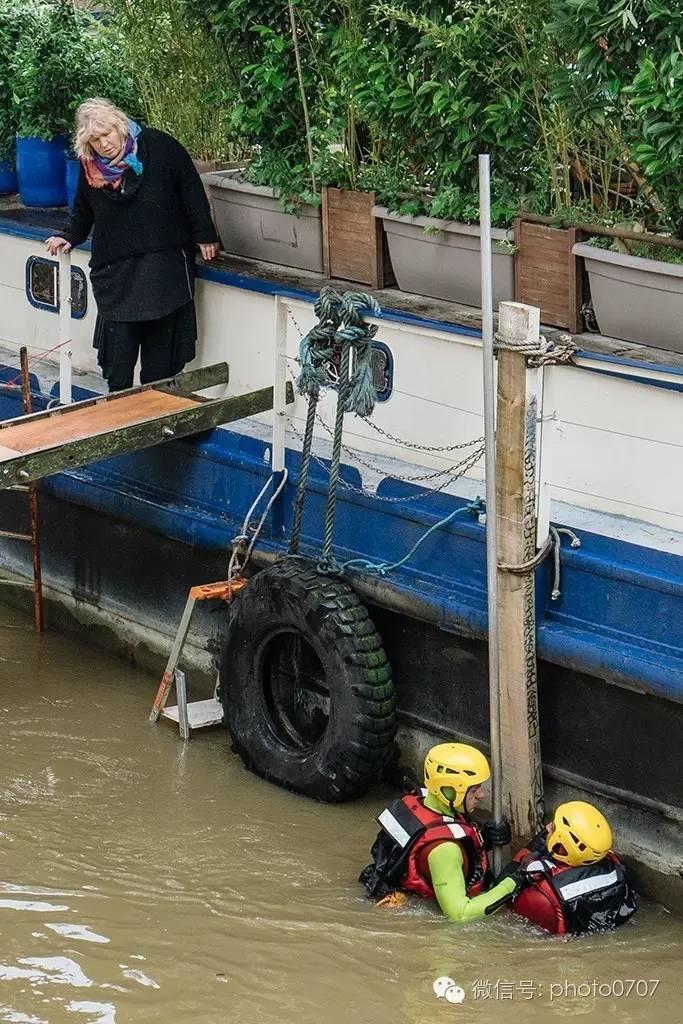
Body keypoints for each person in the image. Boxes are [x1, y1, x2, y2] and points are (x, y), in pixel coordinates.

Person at [45, 97, 220, 392]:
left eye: (107, 133)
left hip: (163, 264)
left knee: (160, 363)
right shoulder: (91, 168)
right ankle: (119, 421)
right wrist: (69, 236)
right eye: (96, 139)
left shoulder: (160, 146)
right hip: (117, 271)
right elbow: (83, 210)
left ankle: (156, 416)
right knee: (119, 361)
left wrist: (205, 234)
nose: (104, 144)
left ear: (120, 125)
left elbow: (191, 189)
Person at [359, 742, 529, 923]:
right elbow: (460, 914)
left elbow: (442, 828)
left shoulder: (425, 801)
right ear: (448, 790)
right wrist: (513, 884)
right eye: (474, 789)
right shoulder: (445, 851)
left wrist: (484, 837)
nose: (481, 795)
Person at [507, 800, 638, 935]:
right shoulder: (614, 864)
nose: (547, 827)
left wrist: (530, 855)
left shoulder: (542, 896)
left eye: (553, 827)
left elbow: (507, 904)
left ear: (563, 847)